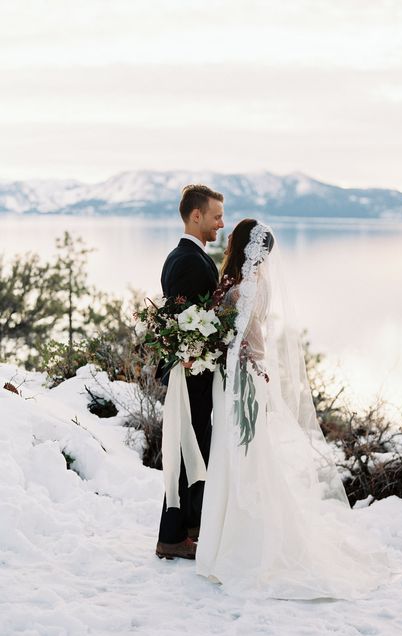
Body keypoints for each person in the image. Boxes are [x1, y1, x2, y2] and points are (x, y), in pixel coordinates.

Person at [196, 219, 396, 599]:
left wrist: (212, 341)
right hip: (240, 375)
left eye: (232, 237)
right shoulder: (252, 283)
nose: (226, 239)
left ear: (243, 246)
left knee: (242, 455)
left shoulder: (248, 287)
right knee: (237, 453)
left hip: (241, 379)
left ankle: (245, 544)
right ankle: (226, 539)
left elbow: (237, 337)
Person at [155, 184, 224, 561]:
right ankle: (172, 536)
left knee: (194, 447)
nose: (220, 224)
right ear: (196, 215)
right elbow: (177, 320)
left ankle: (188, 528)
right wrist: (187, 354)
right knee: (186, 450)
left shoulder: (183, 256)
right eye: (216, 216)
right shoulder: (188, 262)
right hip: (190, 376)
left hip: (196, 373)